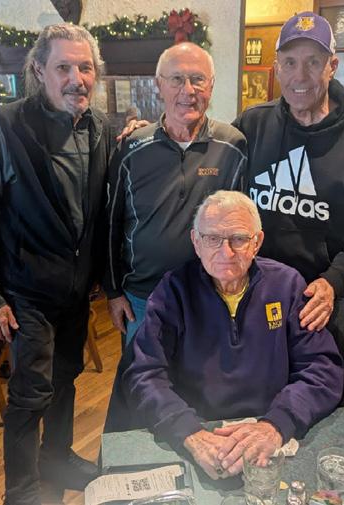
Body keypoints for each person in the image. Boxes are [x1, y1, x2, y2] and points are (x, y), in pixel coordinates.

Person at [0, 24, 113, 505]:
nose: (76, 78)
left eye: (85, 67)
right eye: (63, 67)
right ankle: (21, 490)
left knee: (66, 379)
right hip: (24, 292)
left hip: (76, 292)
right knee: (30, 393)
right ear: (39, 70)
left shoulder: (101, 128)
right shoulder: (5, 127)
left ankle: (57, 458)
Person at [105, 190, 343, 480]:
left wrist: (276, 425)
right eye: (212, 238)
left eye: (239, 239)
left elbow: (322, 369)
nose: (226, 252)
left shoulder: (287, 285)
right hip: (199, 431)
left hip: (269, 432)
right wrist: (189, 433)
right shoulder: (174, 291)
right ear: (196, 242)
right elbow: (144, 373)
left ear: (257, 242)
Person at [234, 12, 344, 400]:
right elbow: (210, 161)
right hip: (262, 294)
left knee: (331, 398)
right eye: (290, 62)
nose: (300, 75)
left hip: (330, 296)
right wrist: (156, 130)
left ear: (332, 66)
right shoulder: (252, 125)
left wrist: (332, 281)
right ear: (277, 67)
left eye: (313, 62)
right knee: (260, 394)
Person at [105, 42, 247, 346]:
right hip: (142, 298)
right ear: (159, 85)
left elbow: (243, 227)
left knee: (205, 376)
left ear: (211, 85)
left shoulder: (233, 146)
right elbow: (110, 225)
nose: (188, 90)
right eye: (177, 79)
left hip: (209, 297)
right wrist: (113, 292)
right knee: (142, 375)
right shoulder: (131, 148)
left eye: (198, 79)